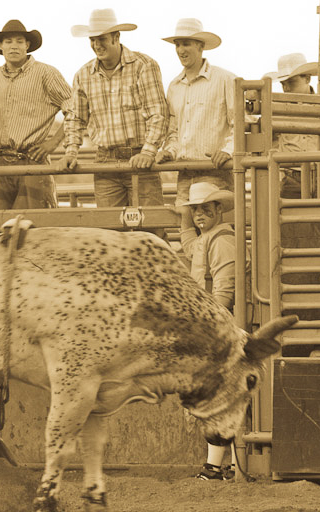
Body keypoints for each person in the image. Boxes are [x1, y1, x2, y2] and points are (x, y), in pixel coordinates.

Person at [60, 9, 169, 226]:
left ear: (116, 37)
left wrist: (148, 151)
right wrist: (71, 151)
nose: (96, 45)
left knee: (151, 228)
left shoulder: (143, 65)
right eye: (92, 39)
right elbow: (75, 118)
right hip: (105, 162)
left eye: (101, 39)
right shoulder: (83, 75)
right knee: (109, 231)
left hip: (140, 159)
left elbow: (158, 112)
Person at [0, 20, 71, 210]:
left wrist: (52, 143)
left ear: (27, 45)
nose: (14, 46)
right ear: (0, 46)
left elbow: (76, 109)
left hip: (32, 159)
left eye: (19, 41)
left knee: (32, 225)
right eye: (8, 41)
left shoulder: (46, 73)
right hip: (1, 162)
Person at [177, 182, 238, 481]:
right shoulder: (208, 238)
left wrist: (210, 330)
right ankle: (226, 467)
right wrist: (183, 213)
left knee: (218, 395)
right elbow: (189, 239)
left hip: (219, 326)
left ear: (218, 210)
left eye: (205, 208)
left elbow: (224, 290)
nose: (199, 214)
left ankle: (219, 467)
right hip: (213, 323)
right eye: (195, 210)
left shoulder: (222, 241)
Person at [155, 18, 236, 236]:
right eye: (178, 44)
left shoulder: (225, 79)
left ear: (200, 46)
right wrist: (169, 151)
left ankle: (218, 271)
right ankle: (196, 271)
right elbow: (174, 130)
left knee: (217, 232)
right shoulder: (174, 86)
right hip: (185, 171)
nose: (181, 49)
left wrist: (227, 152)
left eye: (186, 44)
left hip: (215, 170)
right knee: (187, 231)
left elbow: (239, 123)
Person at [264, 53, 320, 199]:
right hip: (292, 176)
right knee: (288, 218)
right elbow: (265, 138)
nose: (286, 88)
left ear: (307, 79)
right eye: (283, 84)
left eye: (291, 82)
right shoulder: (276, 109)